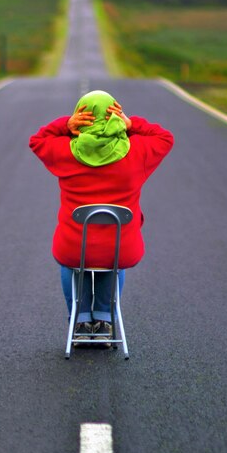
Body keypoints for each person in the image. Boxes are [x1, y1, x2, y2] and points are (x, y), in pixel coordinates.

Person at [29, 89, 174, 347]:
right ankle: (105, 321)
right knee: (111, 257)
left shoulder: (66, 152)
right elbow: (165, 137)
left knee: (72, 261)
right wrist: (131, 125)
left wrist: (65, 125)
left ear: (80, 117)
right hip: (121, 250)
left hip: (74, 248)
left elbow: (37, 140)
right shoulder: (137, 152)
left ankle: (81, 321)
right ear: (115, 117)